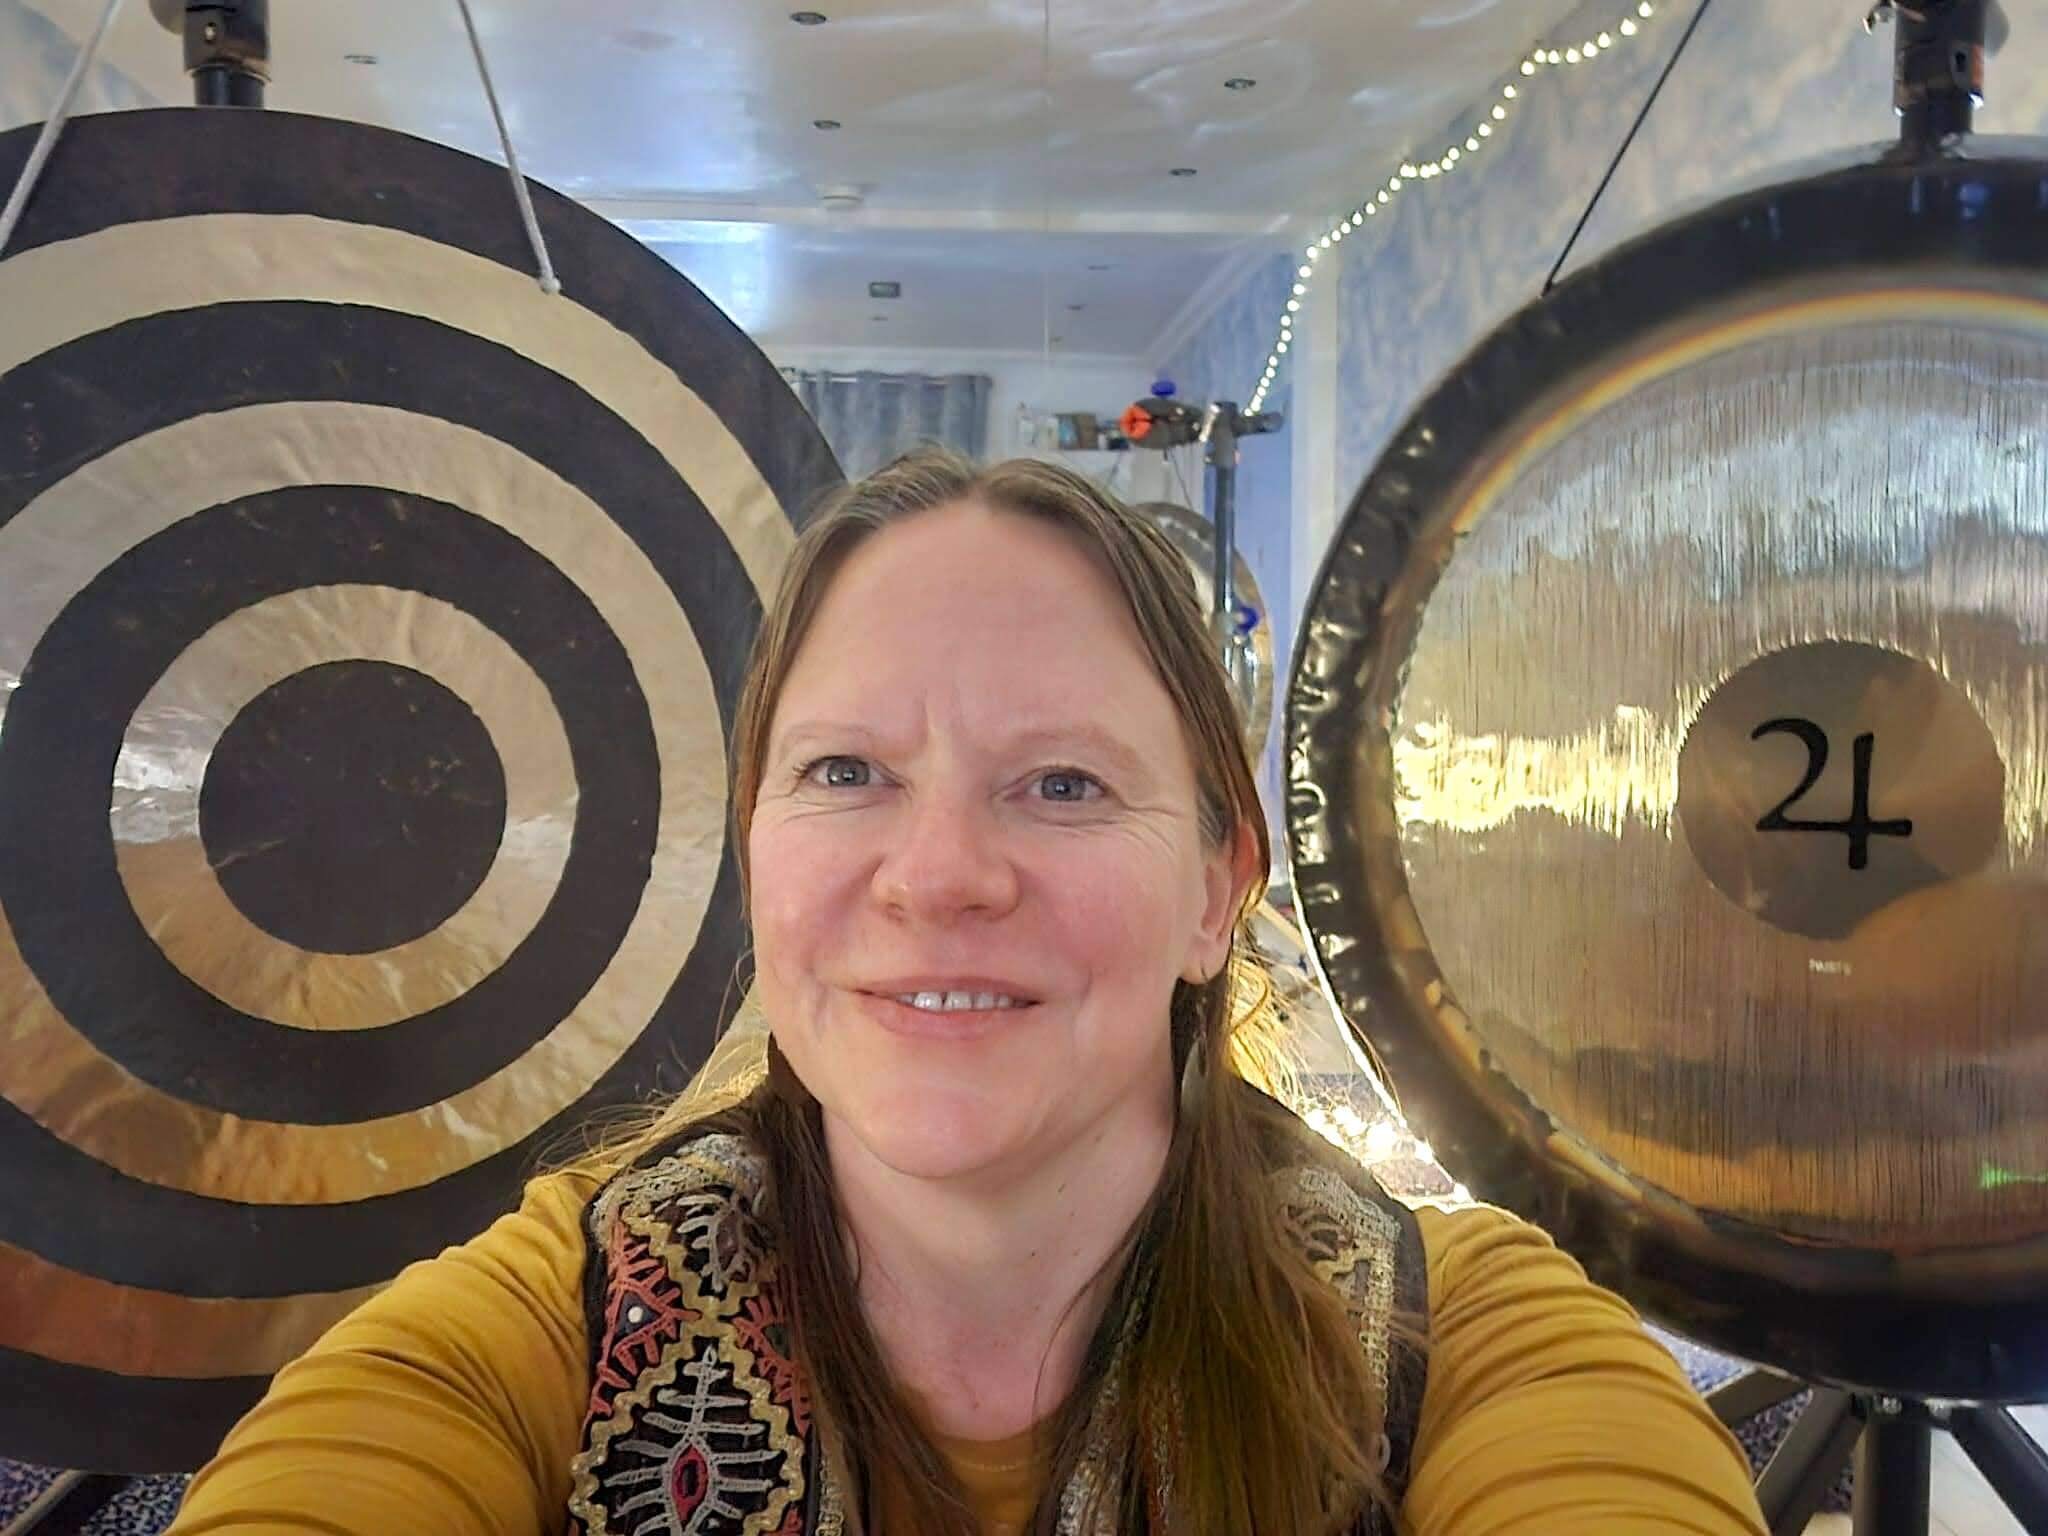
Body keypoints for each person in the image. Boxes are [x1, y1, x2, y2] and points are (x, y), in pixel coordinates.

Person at [166, 451, 1767, 1535]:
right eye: (847, 770)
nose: (937, 876)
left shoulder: (1467, 1341)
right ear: (757, 852)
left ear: (1219, 888)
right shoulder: (543, 1326)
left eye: (1062, 783)